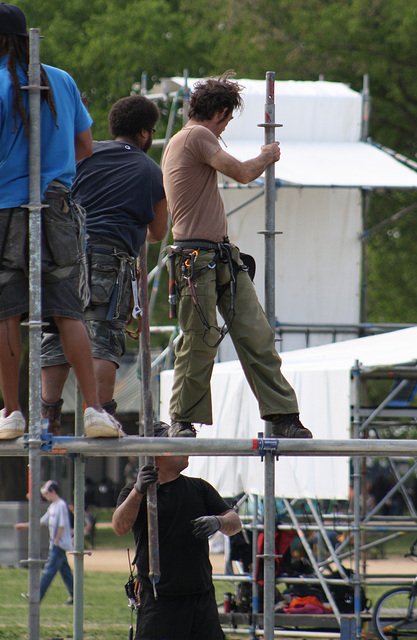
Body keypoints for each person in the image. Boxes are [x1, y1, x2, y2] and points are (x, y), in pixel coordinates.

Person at [161, 70, 312, 439]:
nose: (225, 128)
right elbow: (243, 172)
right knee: (199, 339)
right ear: (221, 112)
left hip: (217, 255)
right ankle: (182, 419)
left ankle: (282, 414)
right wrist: (267, 155)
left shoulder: (185, 139)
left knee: (254, 333)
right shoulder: (196, 135)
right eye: (227, 120)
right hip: (195, 259)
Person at [0, 3, 124, 439]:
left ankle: (12, 412)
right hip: (58, 210)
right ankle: (93, 410)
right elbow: (86, 146)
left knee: (6, 313)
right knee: (69, 312)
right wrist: (52, 171)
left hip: (5, 211)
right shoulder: (63, 80)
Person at [40, 95, 168, 433]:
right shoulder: (149, 170)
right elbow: (158, 231)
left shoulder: (85, 152)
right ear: (143, 133)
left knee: (58, 328)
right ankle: (100, 416)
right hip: (109, 257)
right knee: (103, 331)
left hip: (63, 251)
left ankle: (47, 415)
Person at [112, 422, 242, 640]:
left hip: (200, 597)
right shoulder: (136, 492)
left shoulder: (199, 488)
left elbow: (235, 522)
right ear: (158, 454)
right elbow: (119, 526)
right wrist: (138, 490)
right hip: (159, 598)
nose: (187, 449)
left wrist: (217, 522)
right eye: (178, 444)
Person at [15, 479, 74, 604]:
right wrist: (25, 526)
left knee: (49, 571)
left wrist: (56, 541)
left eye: (47, 493)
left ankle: (36, 596)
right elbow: (41, 522)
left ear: (53, 491)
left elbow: (62, 525)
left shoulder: (61, 505)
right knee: (65, 572)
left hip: (59, 545)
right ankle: (75, 595)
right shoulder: (52, 507)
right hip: (56, 544)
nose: (45, 495)